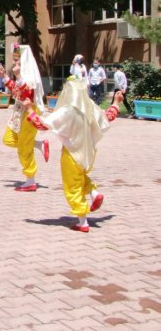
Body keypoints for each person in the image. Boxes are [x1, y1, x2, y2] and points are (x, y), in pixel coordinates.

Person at [26, 79, 122, 232]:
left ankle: (82, 222)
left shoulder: (68, 111)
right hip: (87, 153)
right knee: (81, 177)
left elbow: (42, 124)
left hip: (71, 153)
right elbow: (108, 116)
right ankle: (93, 192)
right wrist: (116, 102)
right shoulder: (90, 107)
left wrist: (29, 110)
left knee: (72, 187)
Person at [0, 43, 49, 192]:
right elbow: (16, 90)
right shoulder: (22, 76)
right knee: (8, 139)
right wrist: (5, 76)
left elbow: (27, 93)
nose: (15, 64)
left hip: (28, 113)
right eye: (14, 60)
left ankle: (30, 180)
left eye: (18, 61)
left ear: (24, 61)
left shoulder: (29, 76)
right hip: (19, 112)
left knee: (24, 148)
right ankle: (39, 144)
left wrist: (18, 75)